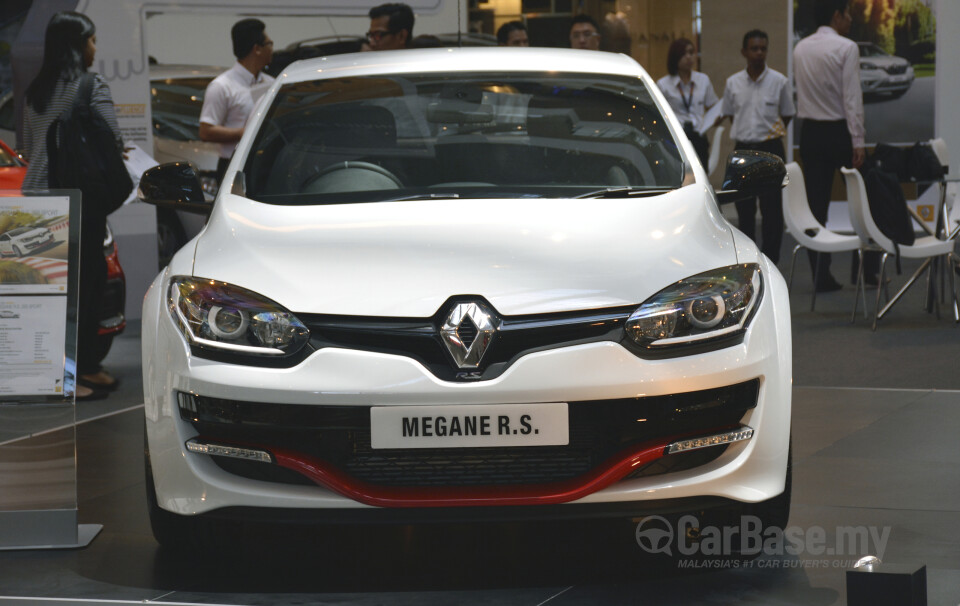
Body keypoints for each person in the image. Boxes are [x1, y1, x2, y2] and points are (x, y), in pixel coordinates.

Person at [21, 11, 122, 400]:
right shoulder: (90, 85)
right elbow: (111, 138)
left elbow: (30, 151)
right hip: (77, 203)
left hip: (35, 204)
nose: (95, 48)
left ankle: (80, 370)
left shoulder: (35, 91)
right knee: (84, 290)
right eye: (92, 41)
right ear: (79, 46)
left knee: (45, 294)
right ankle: (68, 378)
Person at [794, 0, 865, 292]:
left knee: (815, 208)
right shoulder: (847, 47)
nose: (849, 20)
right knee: (864, 199)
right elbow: (852, 98)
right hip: (839, 133)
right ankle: (867, 272)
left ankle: (820, 276)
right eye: (847, 14)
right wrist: (858, 139)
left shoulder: (800, 49)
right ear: (837, 16)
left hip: (810, 133)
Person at [720, 29, 795, 264]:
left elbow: (787, 115)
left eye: (763, 48)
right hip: (743, 150)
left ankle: (771, 262)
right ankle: (749, 262)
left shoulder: (779, 81)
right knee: (745, 212)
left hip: (771, 149)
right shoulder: (732, 83)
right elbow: (731, 115)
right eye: (754, 48)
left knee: (773, 212)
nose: (759, 53)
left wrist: (765, 135)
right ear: (744, 52)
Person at [198, 18, 274, 185]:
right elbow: (206, 131)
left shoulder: (271, 84)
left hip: (266, 164)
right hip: (232, 166)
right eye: (269, 44)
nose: (272, 48)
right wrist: (244, 133)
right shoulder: (221, 86)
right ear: (257, 49)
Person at [657, 38, 718, 168]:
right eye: (684, 54)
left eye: (691, 52)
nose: (689, 57)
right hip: (676, 139)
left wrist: (710, 122)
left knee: (702, 174)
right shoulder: (664, 84)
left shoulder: (703, 80)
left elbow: (714, 107)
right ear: (675, 57)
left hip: (699, 137)